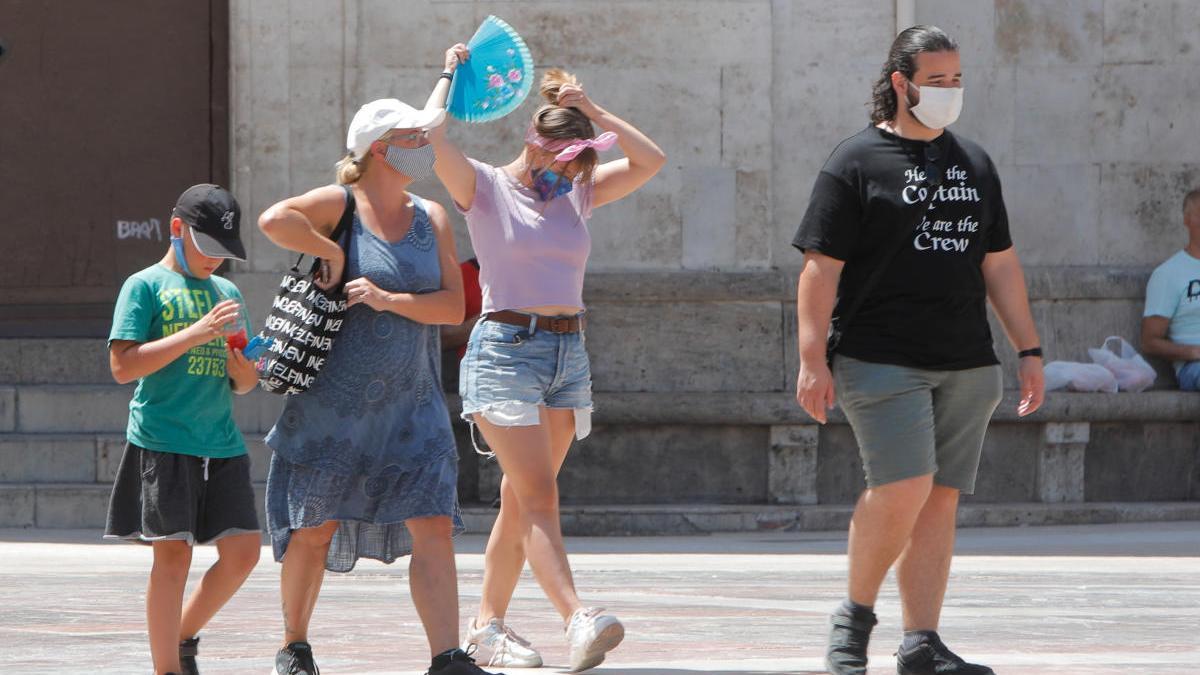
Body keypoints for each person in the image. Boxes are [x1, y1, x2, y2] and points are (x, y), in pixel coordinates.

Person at [791, 26, 1045, 675]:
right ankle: (853, 619)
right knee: (902, 485)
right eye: (937, 81)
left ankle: (922, 642)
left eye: (957, 79)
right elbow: (820, 268)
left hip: (966, 358)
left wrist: (1030, 348)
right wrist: (810, 357)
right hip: (879, 355)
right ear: (902, 83)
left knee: (940, 497)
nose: (950, 91)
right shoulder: (854, 161)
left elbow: (1002, 264)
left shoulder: (975, 163)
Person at [427, 43, 666, 672]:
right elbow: (431, 133)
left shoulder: (576, 196)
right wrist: (451, 73)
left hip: (568, 352)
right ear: (534, 143)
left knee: (522, 498)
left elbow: (652, 160)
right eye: (567, 160)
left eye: (583, 164)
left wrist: (589, 107)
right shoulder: (483, 186)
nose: (573, 174)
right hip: (504, 352)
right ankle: (576, 616)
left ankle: (485, 628)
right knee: (536, 494)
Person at [257, 98, 493, 675]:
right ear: (381, 148)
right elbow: (272, 219)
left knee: (434, 525)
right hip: (330, 410)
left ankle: (447, 657)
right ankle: (295, 645)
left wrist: (389, 300)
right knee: (313, 530)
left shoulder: (430, 215)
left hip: (412, 407)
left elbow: (453, 306)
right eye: (412, 137)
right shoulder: (338, 204)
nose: (423, 146)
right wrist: (332, 250)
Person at [105, 184, 262, 675]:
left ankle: (183, 634)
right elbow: (122, 366)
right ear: (177, 229)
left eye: (224, 252)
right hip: (163, 440)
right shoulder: (144, 285)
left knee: (243, 554)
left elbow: (244, 383)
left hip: (221, 442)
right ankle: (166, 668)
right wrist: (196, 333)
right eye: (208, 248)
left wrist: (244, 367)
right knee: (172, 558)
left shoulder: (228, 293)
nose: (216, 262)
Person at [1141, 188, 1200, 390]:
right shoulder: (1168, 274)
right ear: (1187, 220)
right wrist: (1193, 352)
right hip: (1194, 367)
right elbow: (1150, 341)